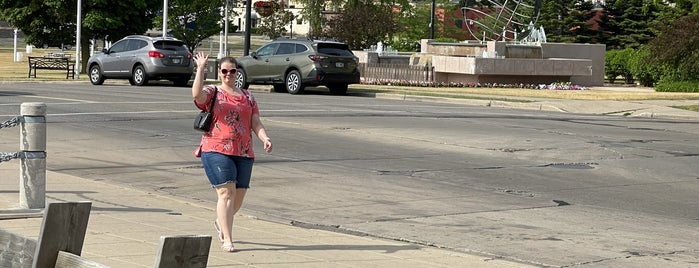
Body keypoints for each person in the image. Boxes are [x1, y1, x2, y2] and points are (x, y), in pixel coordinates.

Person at [191, 52, 273, 252]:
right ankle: (228, 238)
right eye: (225, 70)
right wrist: (201, 68)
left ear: (237, 73)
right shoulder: (213, 92)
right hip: (216, 148)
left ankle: (221, 222)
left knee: (238, 196)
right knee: (226, 192)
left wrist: (265, 138)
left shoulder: (248, 96)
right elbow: (197, 95)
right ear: (219, 72)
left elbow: (255, 122)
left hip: (244, 151)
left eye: (232, 71)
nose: (228, 74)